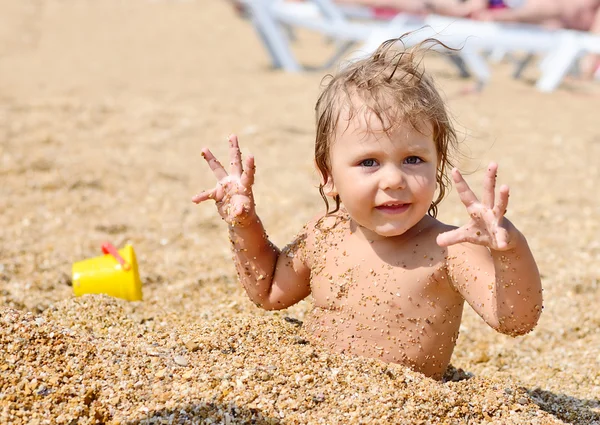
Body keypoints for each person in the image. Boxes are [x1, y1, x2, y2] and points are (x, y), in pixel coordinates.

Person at [192, 38, 543, 380]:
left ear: (437, 168)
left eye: (413, 159)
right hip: (313, 396)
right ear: (328, 176)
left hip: (405, 408)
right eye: (369, 162)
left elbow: (515, 320)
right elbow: (268, 291)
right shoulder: (325, 234)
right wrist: (243, 222)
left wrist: (510, 249)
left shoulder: (450, 250)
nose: (393, 179)